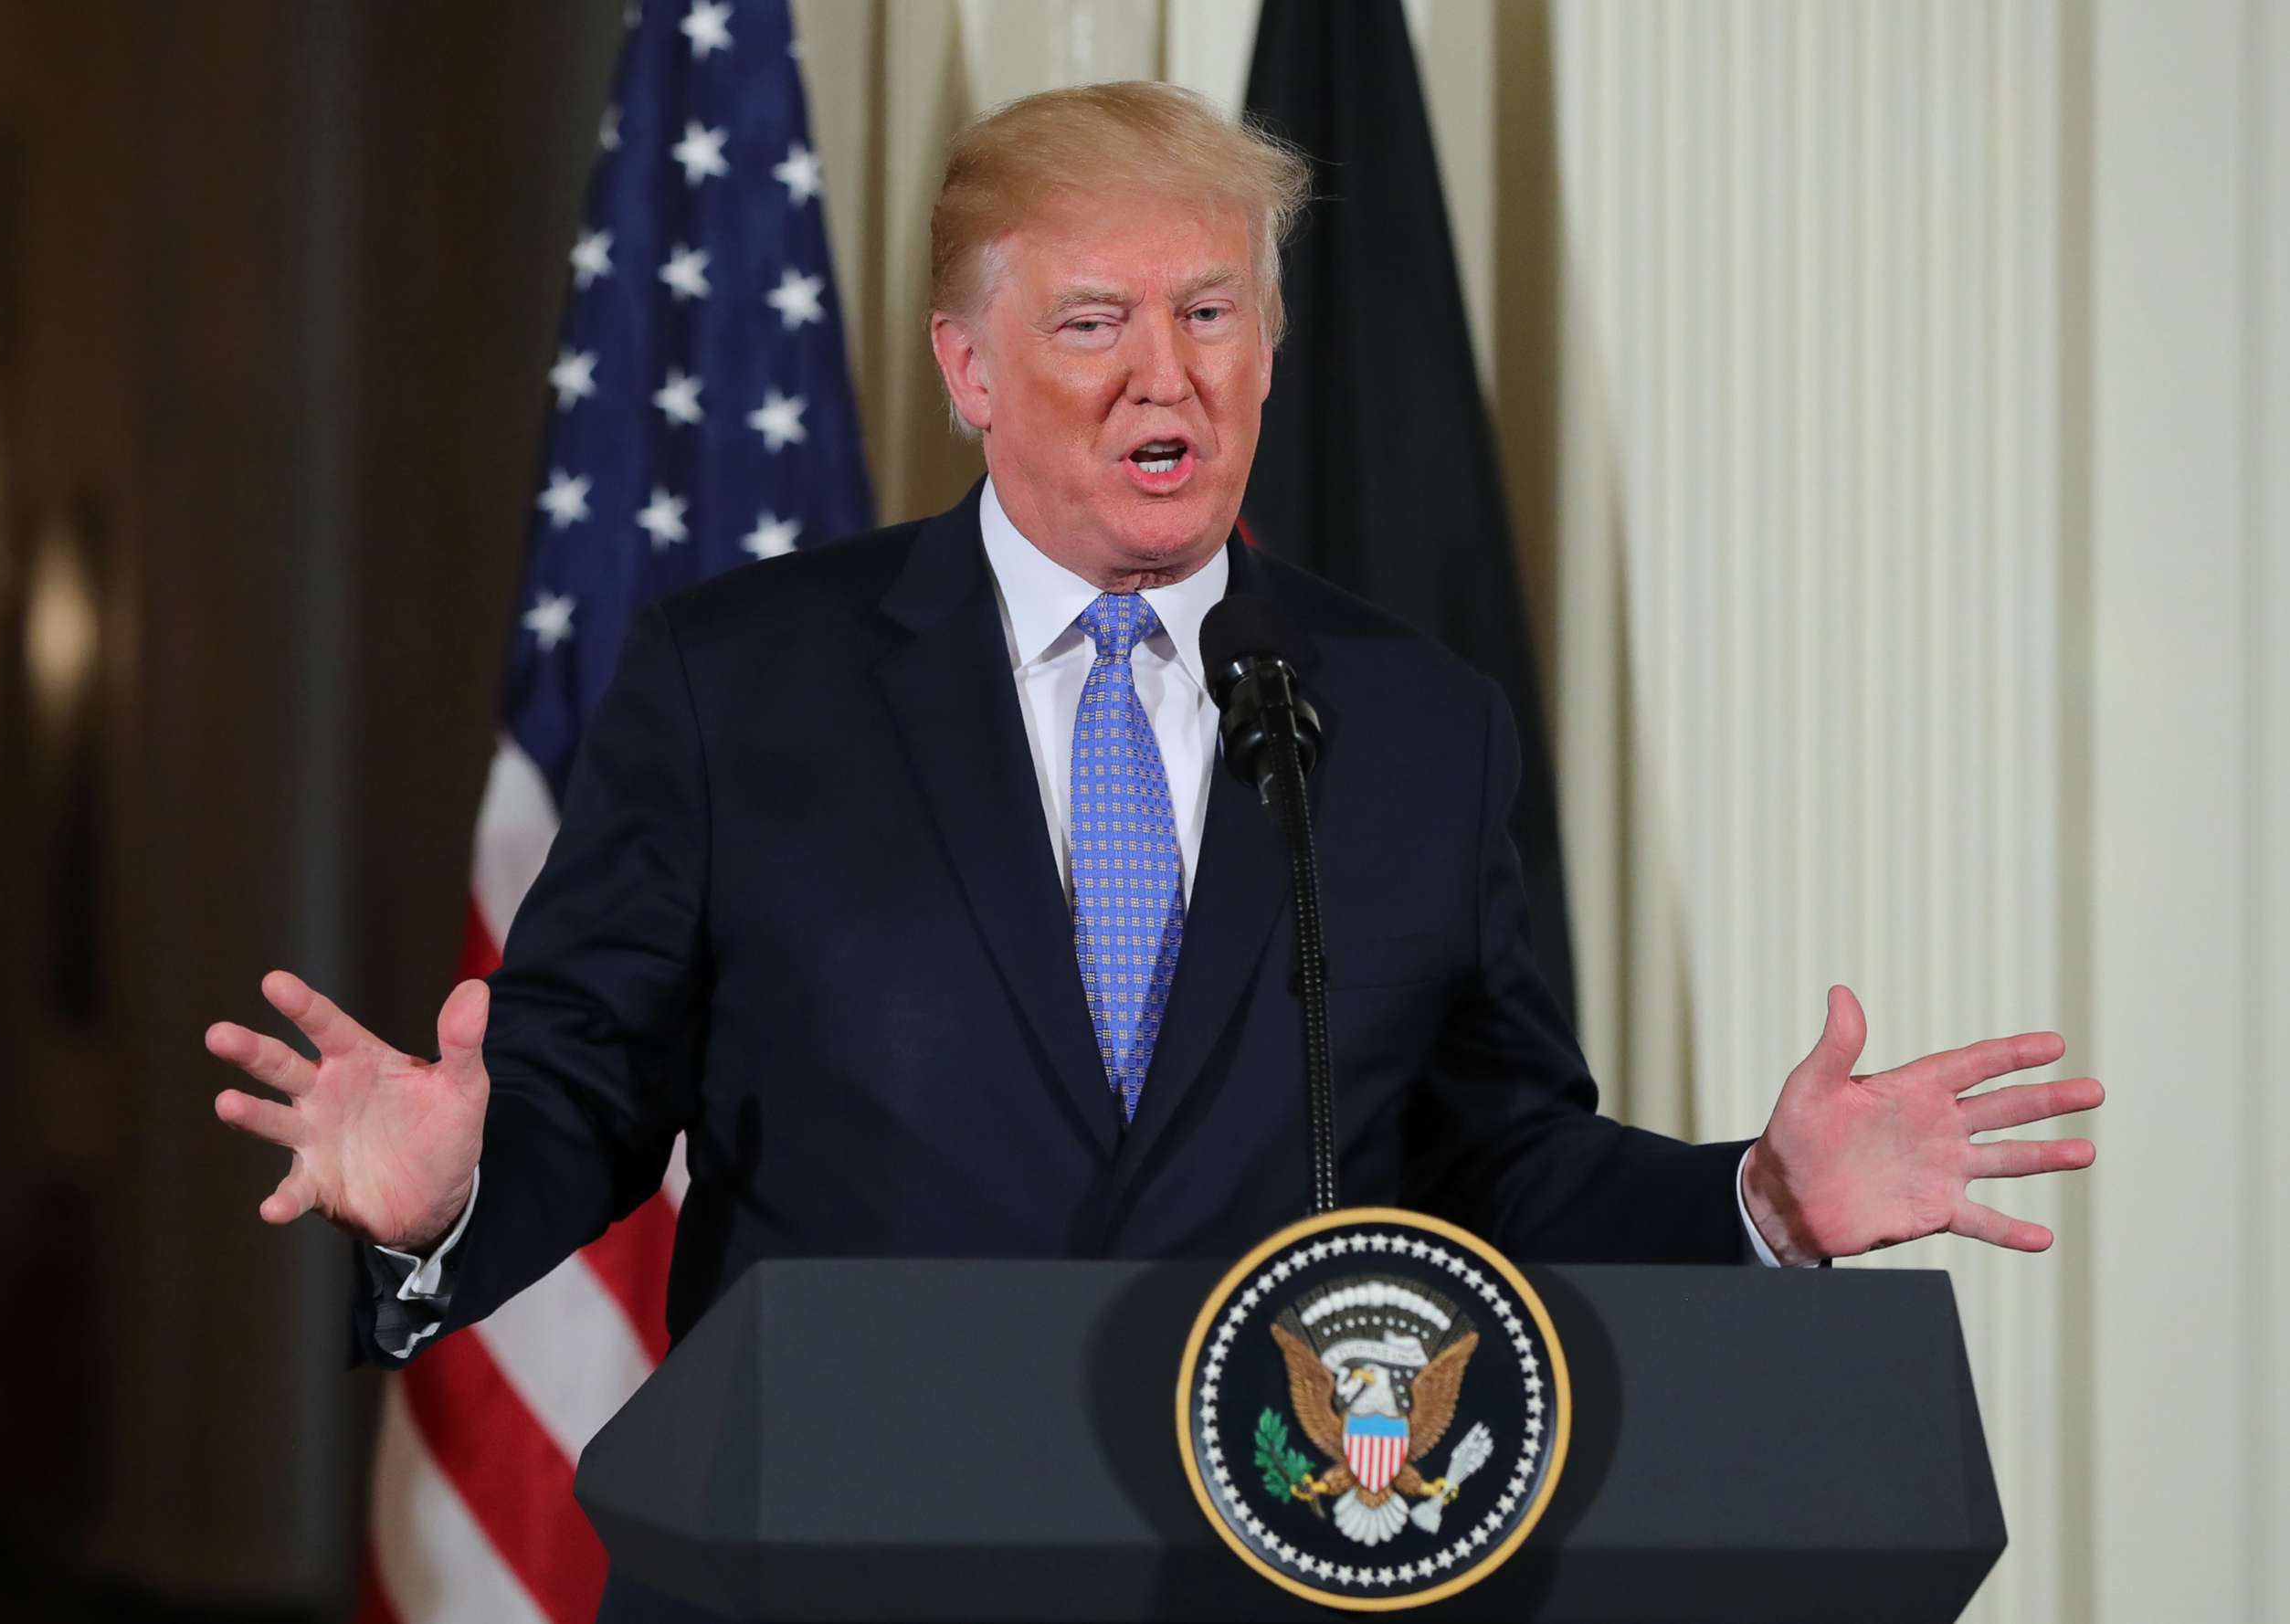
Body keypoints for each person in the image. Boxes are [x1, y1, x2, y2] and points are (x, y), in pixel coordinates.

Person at [206, 84, 2101, 1373]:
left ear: (1271, 346)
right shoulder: (740, 680)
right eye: (1095, 322)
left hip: (1263, 1547)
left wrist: (1753, 1200)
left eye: (1212, 311)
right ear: (967, 367)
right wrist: (455, 1182)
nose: (1165, 375)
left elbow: (1500, 1156)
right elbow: (590, 1084)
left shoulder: (1421, 726)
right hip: (832, 1560)